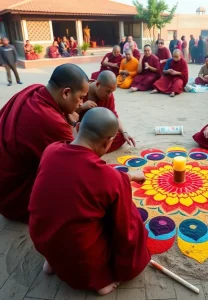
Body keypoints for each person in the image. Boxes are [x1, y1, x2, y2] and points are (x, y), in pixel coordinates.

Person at [29, 107, 150, 295]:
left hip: (42, 238)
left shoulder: (51, 150)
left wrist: (130, 176)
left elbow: (94, 178)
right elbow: (125, 229)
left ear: (77, 127)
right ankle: (98, 280)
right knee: (130, 217)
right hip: (81, 258)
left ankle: (52, 262)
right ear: (109, 142)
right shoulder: (108, 177)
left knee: (61, 207)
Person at [0, 64, 89, 222]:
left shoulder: (34, 89)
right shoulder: (51, 122)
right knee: (82, 191)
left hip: (5, 182)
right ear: (66, 93)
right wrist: (72, 126)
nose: (81, 104)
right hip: (16, 197)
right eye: (81, 97)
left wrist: (65, 116)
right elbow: (78, 164)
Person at [77, 71, 135, 152]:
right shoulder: (82, 91)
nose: (110, 95)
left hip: (97, 132)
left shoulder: (108, 96)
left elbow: (113, 115)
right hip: (81, 132)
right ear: (98, 84)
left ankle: (87, 149)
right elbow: (68, 114)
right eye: (108, 91)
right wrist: (82, 107)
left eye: (112, 92)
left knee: (121, 137)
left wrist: (124, 132)